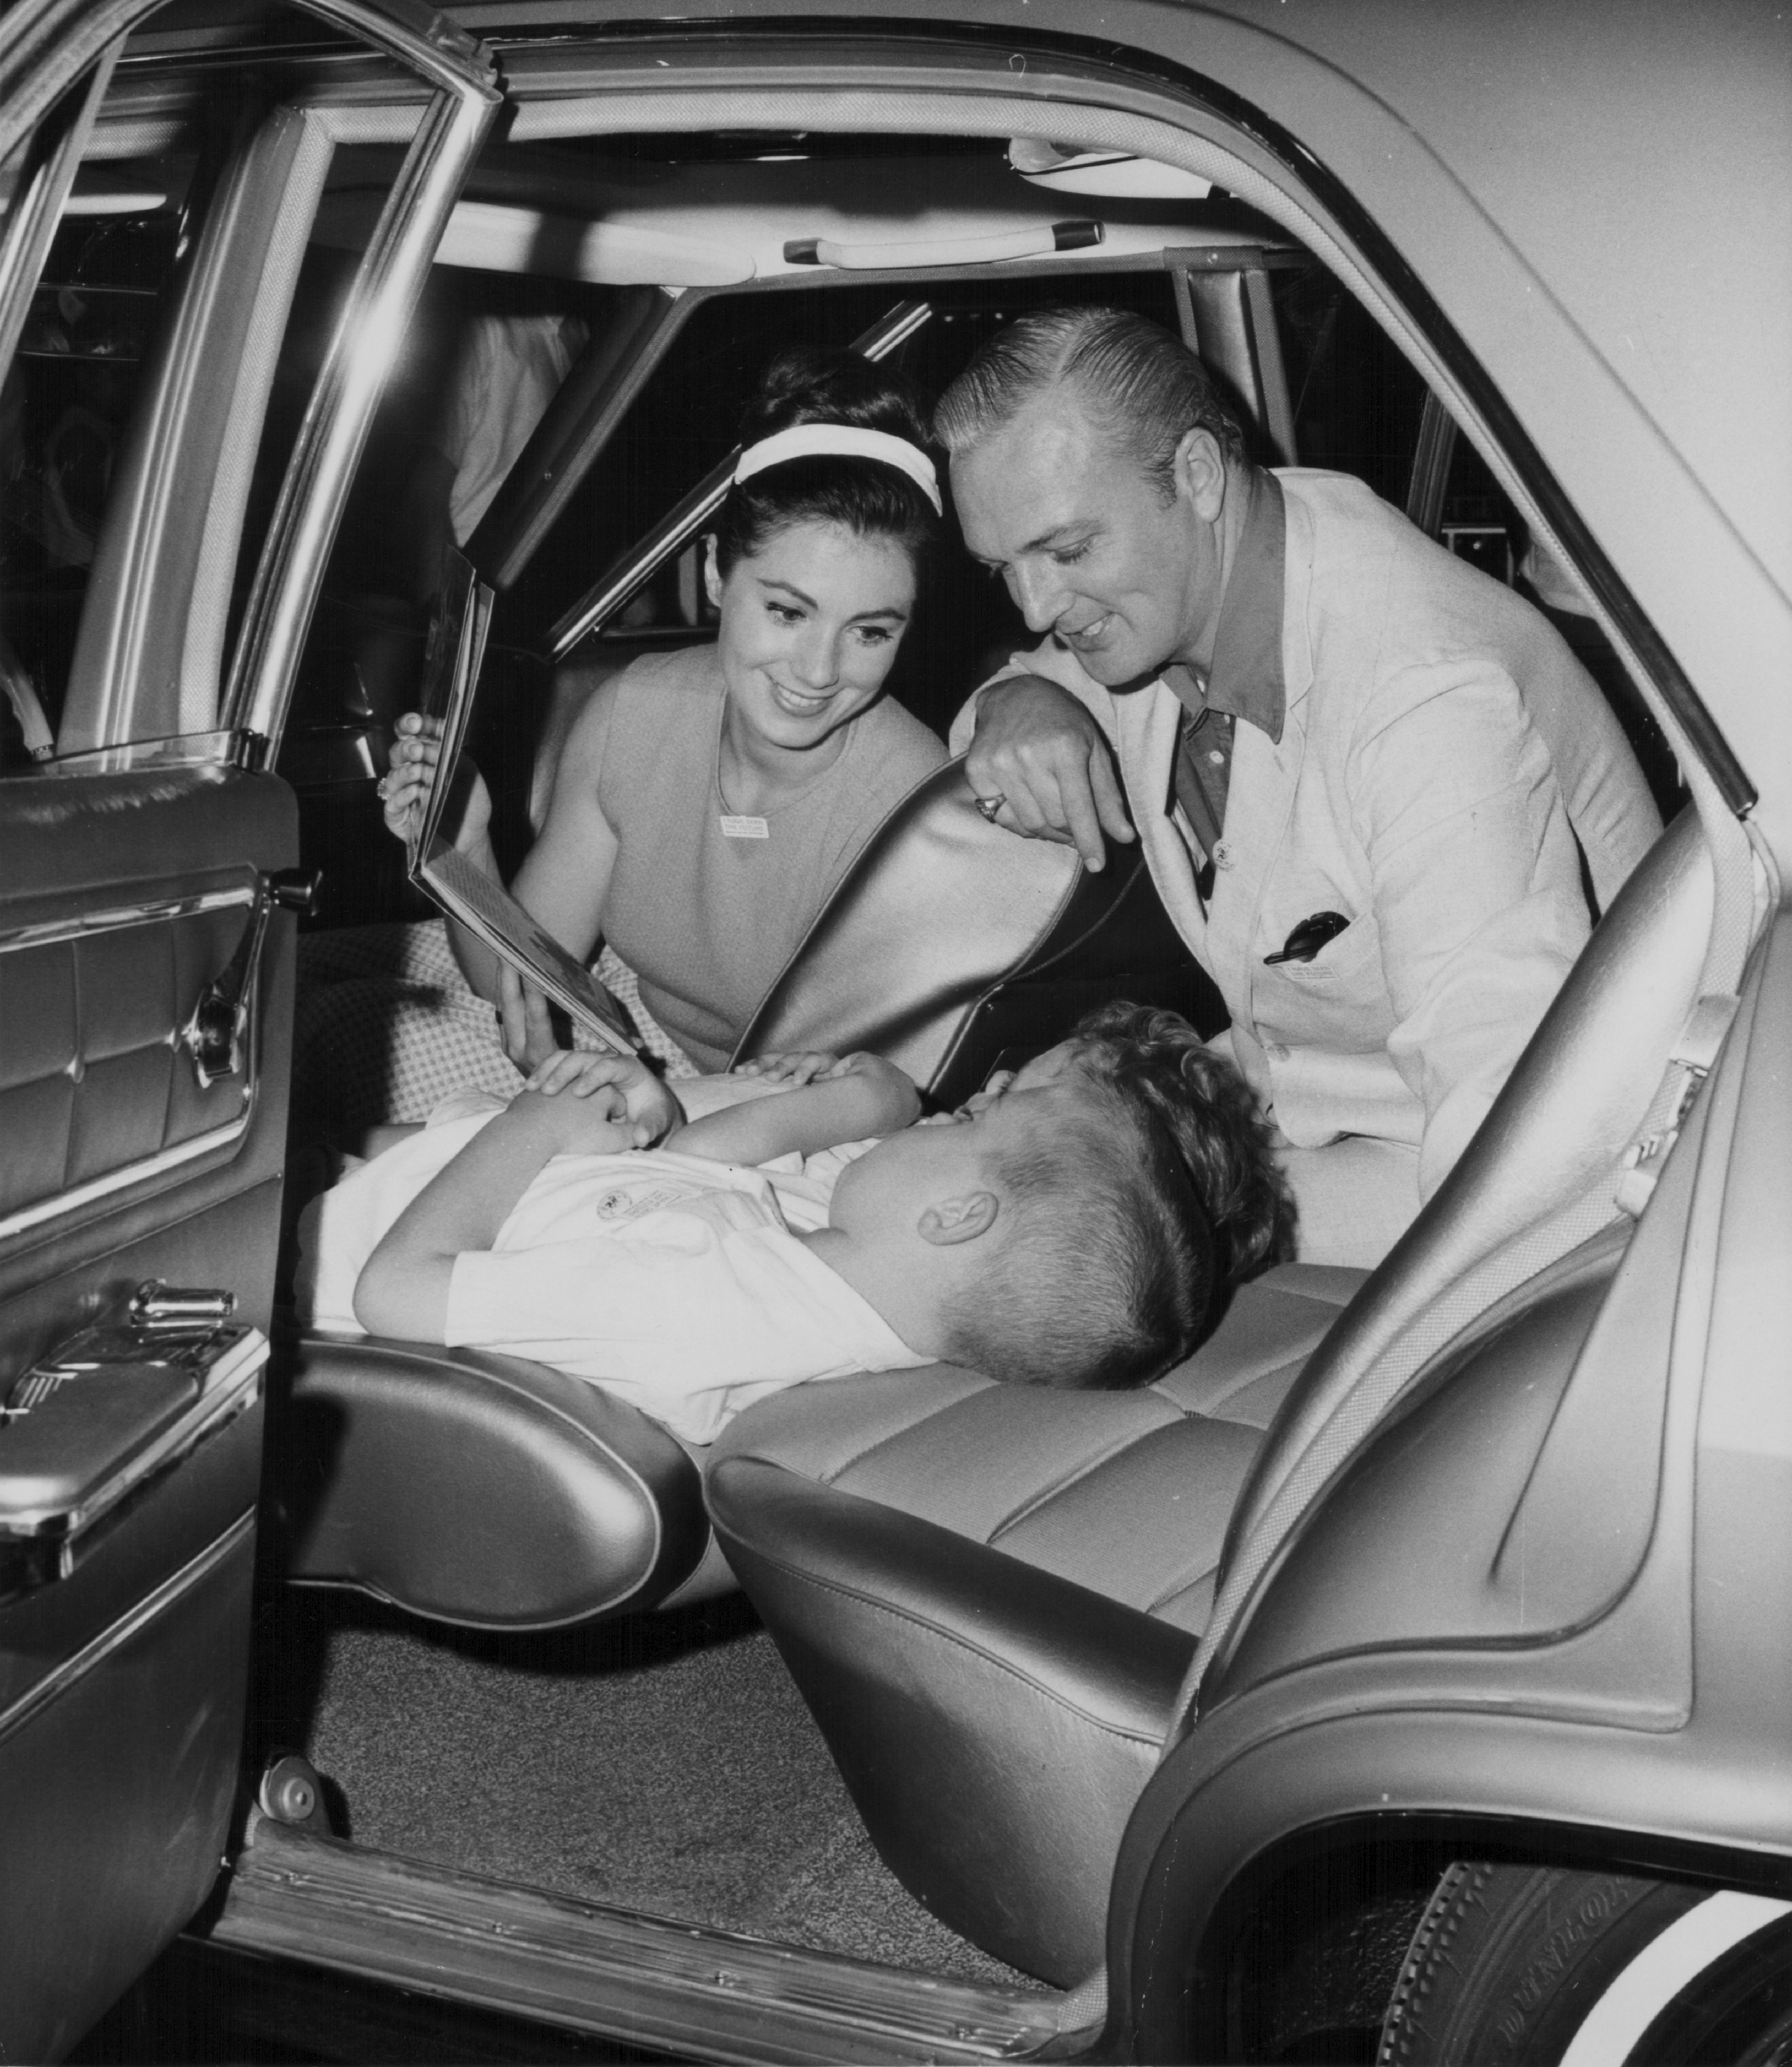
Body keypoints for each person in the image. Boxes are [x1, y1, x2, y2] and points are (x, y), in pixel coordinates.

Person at [936, 307, 1663, 1265]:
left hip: (1496, 1182)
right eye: (1002, 569)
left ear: (1195, 475)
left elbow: (1517, 1142)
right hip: (1314, 1126)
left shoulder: (1428, 698)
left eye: (1066, 552)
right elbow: (1024, 690)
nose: (1037, 607)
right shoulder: (1207, 568)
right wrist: (1015, 698)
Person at [296, 347, 949, 1136]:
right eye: (786, 612)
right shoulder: (634, 713)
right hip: (636, 1027)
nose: (818, 670)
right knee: (300, 1003)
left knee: (349, 1057)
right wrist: (463, 843)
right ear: (715, 574)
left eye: (869, 632)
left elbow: (860, 1103)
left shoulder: (916, 806)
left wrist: (617, 1099)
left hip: (764, 1120)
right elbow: (514, 983)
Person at [298, 1003, 1291, 1445]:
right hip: (390, 1182)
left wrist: (532, 1124)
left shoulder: (702, 1304)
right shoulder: (842, 1282)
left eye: (989, 1111)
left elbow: (394, 1293)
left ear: (955, 1217)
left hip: (300, 1259)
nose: (974, 1090)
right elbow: (702, 1167)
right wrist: (873, 1103)